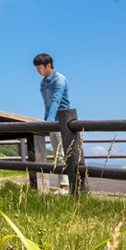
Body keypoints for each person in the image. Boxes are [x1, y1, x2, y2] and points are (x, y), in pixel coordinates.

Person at [33, 53, 70, 193]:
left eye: (39, 67)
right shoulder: (43, 82)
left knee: (62, 154)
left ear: (48, 65)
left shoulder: (59, 80)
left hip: (62, 119)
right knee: (56, 154)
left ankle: (65, 187)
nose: (37, 70)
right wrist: (47, 120)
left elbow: (56, 101)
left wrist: (48, 122)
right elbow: (46, 104)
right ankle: (63, 186)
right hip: (51, 120)